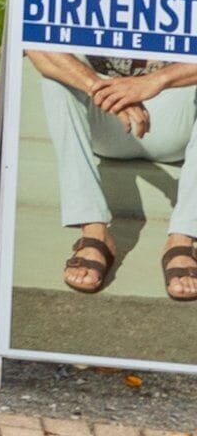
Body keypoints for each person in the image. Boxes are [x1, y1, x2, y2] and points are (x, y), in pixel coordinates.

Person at [29, 52, 197, 300]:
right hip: (105, 111)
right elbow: (36, 47)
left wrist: (156, 80)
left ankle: (184, 235)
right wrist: (105, 90)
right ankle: (94, 230)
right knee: (55, 75)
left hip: (174, 115)